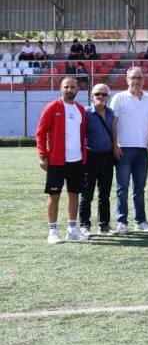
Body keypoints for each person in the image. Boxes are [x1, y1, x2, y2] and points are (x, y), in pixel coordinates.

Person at [37, 77, 88, 244]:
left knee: (74, 194)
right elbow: (41, 133)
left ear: (77, 89)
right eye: (66, 87)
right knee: (54, 195)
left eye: (72, 87)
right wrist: (43, 156)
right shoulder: (52, 107)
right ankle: (52, 231)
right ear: (60, 88)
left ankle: (72, 229)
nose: (69, 90)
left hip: (77, 160)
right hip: (56, 161)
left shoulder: (80, 109)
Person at [110, 67, 148, 234]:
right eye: (132, 77)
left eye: (139, 77)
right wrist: (115, 145)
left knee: (140, 187)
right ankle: (122, 222)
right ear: (127, 79)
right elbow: (113, 124)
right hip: (124, 149)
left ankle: (140, 221)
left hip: (142, 150)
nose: (136, 80)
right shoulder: (119, 98)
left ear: (144, 80)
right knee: (122, 187)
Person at [79, 83, 116, 236]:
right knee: (87, 193)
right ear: (92, 96)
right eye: (97, 94)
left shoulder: (111, 113)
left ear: (108, 97)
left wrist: (115, 147)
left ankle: (104, 225)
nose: (100, 97)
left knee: (105, 193)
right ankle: (84, 225)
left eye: (104, 94)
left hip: (107, 156)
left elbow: (114, 132)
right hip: (90, 156)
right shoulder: (85, 112)